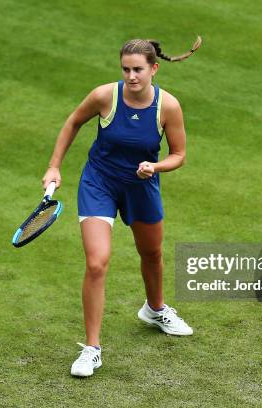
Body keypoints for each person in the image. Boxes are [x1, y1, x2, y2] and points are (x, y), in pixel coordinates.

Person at [41, 37, 201, 377]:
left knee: (152, 254)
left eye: (138, 70)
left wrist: (155, 167)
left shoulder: (168, 106)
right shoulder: (104, 96)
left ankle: (155, 309)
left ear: (154, 69)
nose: (131, 76)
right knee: (97, 263)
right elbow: (72, 123)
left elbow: (179, 155)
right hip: (99, 183)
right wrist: (54, 166)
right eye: (126, 69)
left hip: (141, 186)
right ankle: (92, 349)